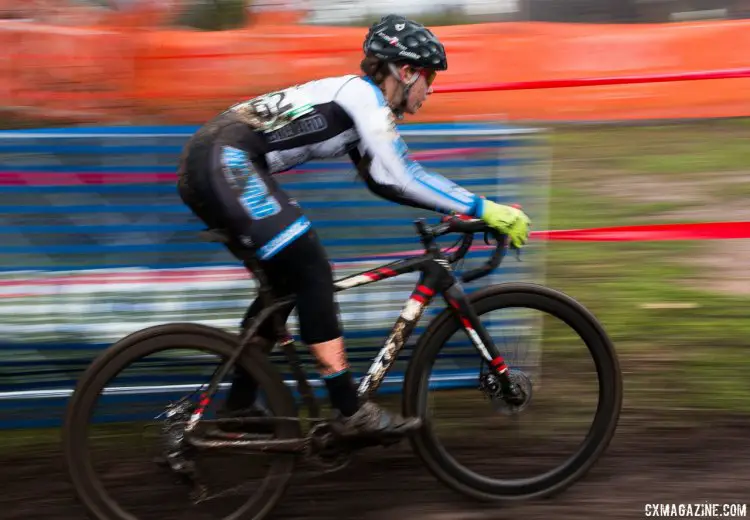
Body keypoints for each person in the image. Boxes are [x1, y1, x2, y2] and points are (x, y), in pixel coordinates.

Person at [176, 14, 531, 441]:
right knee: (310, 267)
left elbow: (384, 182)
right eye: (429, 77)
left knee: (287, 282)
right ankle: (348, 409)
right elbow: (404, 176)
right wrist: (485, 208)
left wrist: (461, 214)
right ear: (405, 71)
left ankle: (237, 406)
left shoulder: (357, 101)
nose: (431, 89)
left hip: (211, 161)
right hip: (225, 161)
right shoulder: (364, 99)